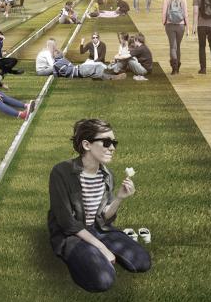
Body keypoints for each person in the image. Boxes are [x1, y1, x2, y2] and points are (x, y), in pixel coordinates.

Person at [49, 118, 150, 292]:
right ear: (87, 145)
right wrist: (102, 248)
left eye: (114, 143)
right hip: (71, 234)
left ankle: (96, 252)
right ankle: (88, 256)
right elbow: (67, 223)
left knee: (142, 262)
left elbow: (104, 218)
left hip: (97, 229)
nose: (112, 148)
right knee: (103, 280)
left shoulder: (107, 174)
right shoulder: (61, 172)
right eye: (106, 142)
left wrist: (119, 198)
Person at [161, 0, 188, 74]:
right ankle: (178, 67)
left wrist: (164, 22)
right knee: (178, 46)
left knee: (173, 46)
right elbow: (185, 14)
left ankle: (174, 68)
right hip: (181, 25)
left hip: (170, 24)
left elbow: (164, 12)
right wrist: (187, 27)